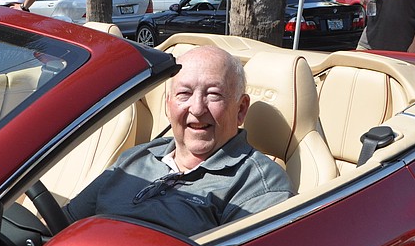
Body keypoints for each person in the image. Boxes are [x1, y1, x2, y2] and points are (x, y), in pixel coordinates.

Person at [63, 45, 294, 236]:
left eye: (213, 94)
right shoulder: (136, 157)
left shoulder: (259, 185)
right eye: (184, 93)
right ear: (168, 104)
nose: (197, 108)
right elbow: (62, 223)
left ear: (241, 109)